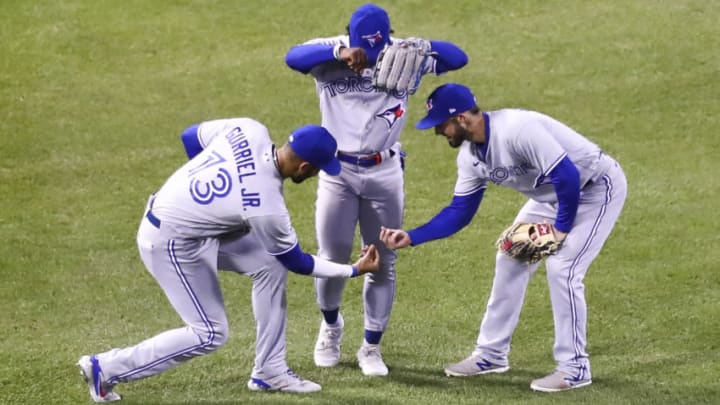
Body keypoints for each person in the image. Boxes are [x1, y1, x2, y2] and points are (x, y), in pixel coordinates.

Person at [77, 119, 380, 403]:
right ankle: (106, 368)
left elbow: (190, 136)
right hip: (170, 242)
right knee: (210, 332)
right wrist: (353, 269)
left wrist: (206, 203)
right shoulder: (267, 206)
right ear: (304, 167)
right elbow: (297, 262)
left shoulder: (249, 129)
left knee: (269, 265)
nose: (316, 176)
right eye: (317, 171)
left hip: (181, 220)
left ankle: (270, 371)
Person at [380, 83, 627, 392]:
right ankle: (491, 354)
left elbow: (567, 175)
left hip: (595, 189)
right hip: (551, 199)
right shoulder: (471, 156)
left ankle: (574, 367)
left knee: (563, 269)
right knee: (511, 256)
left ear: (462, 119)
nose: (439, 132)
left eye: (442, 125)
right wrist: (413, 236)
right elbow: (460, 211)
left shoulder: (518, 130)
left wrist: (562, 228)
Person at [284, 3, 468, 377]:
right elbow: (293, 57)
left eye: (374, 48)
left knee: (383, 259)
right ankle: (331, 327)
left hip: (384, 173)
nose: (366, 58)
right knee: (333, 257)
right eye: (361, 49)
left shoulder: (403, 54)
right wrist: (340, 53)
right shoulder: (330, 51)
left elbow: (457, 57)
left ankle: (371, 346)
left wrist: (421, 45)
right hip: (337, 171)